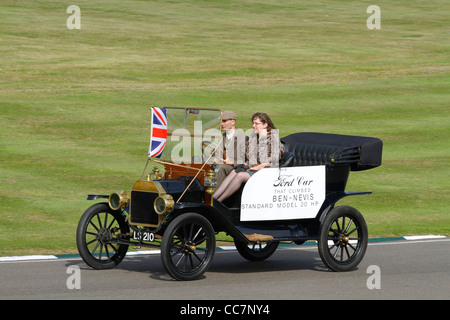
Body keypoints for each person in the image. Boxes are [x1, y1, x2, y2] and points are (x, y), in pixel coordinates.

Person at [214, 112, 284, 202]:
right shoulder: (254, 139)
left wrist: (252, 169)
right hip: (253, 169)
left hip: (265, 172)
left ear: (265, 125)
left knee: (240, 175)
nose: (253, 126)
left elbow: (271, 163)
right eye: (253, 123)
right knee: (234, 172)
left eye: (257, 124)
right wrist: (243, 165)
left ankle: (219, 202)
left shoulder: (273, 139)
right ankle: (214, 199)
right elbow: (249, 160)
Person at [215, 110, 248, 187]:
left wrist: (232, 162)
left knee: (220, 167)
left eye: (224, 121)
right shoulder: (220, 137)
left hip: (235, 168)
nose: (222, 124)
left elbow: (246, 161)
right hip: (221, 165)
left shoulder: (243, 138)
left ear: (233, 122)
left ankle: (213, 197)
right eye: (221, 121)